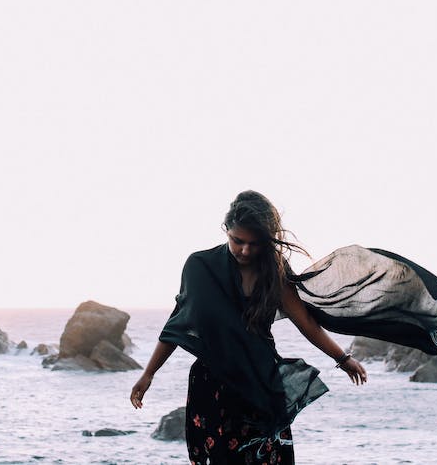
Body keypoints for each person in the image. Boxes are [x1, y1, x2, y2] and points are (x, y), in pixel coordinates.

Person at [129, 190, 367, 464]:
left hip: (260, 383)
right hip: (213, 386)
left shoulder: (275, 273)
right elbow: (177, 324)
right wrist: (149, 373)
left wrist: (342, 358)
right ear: (225, 230)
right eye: (237, 241)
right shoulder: (199, 267)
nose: (245, 250)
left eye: (254, 244)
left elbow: (307, 323)